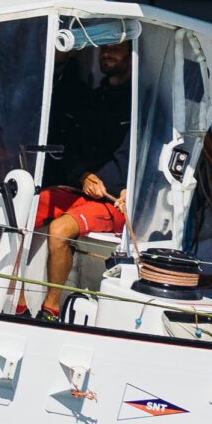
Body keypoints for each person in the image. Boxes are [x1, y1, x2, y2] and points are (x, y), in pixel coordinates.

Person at [32, 39, 133, 320]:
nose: (108, 53)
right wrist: (83, 175)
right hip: (83, 191)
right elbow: (73, 149)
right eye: (105, 48)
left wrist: (132, 190)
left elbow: (153, 159)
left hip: (116, 202)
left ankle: (50, 309)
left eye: (117, 48)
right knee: (22, 211)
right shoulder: (94, 99)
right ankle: (17, 300)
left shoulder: (141, 105)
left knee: (59, 230)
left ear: (132, 56)